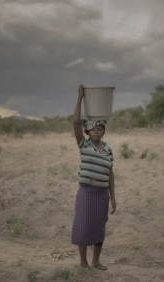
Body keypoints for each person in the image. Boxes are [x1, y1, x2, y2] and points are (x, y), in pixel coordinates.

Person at [71, 84, 117, 271]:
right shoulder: (84, 145)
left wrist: (113, 197)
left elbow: (110, 174)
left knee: (99, 227)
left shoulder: (107, 149)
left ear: (103, 131)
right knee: (83, 225)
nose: (97, 132)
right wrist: (80, 97)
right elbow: (75, 123)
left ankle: (96, 261)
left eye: (100, 129)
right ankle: (83, 262)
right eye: (93, 130)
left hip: (101, 194)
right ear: (87, 132)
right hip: (86, 191)